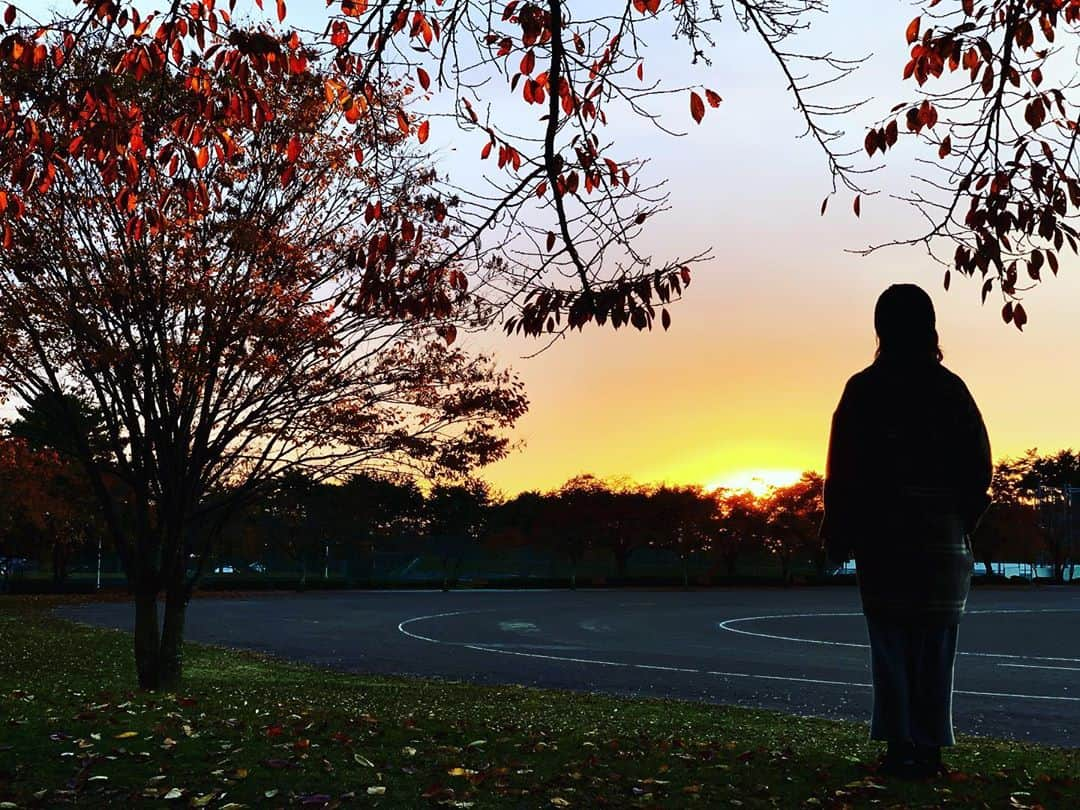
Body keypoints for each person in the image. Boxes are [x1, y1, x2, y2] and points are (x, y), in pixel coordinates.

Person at [820, 283, 992, 779]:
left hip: (884, 537)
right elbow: (980, 467)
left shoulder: (863, 389)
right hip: (941, 539)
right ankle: (931, 747)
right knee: (936, 647)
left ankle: (899, 746)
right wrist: (962, 520)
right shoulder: (951, 389)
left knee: (891, 645)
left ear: (880, 328)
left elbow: (842, 469)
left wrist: (839, 530)